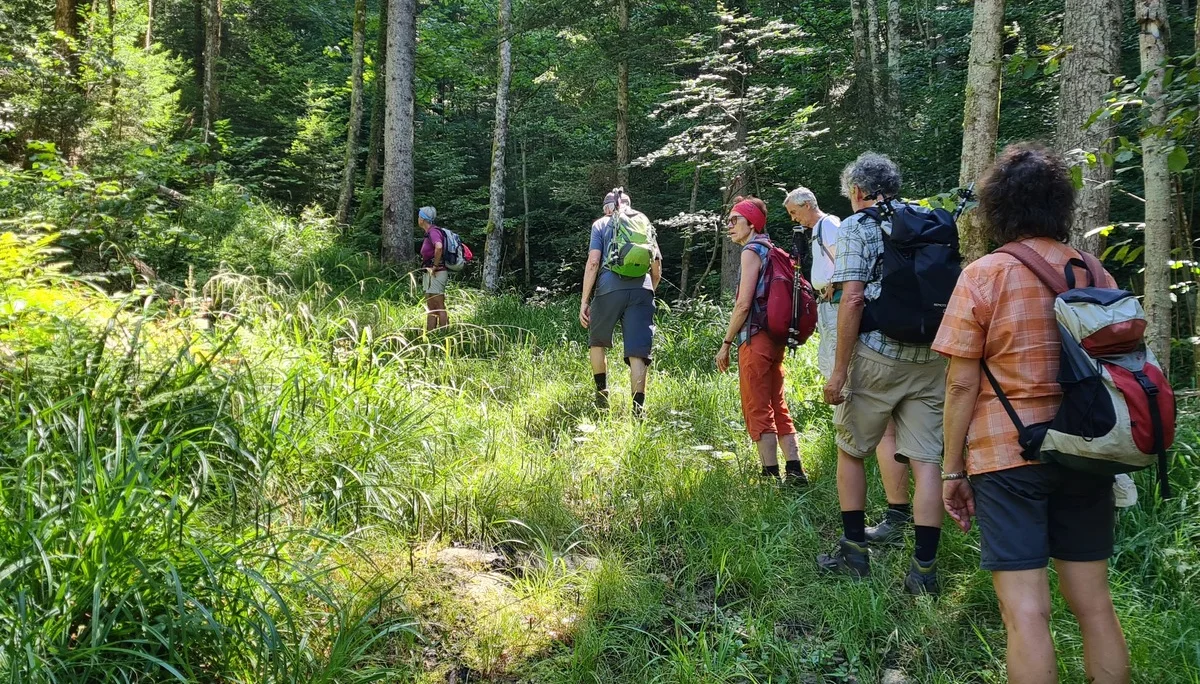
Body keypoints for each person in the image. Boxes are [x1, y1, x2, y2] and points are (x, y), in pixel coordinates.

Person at [933, 143, 1129, 683]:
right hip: (1088, 448)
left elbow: (961, 383)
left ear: (997, 208)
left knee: (1025, 613)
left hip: (1007, 454)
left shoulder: (983, 275)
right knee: (1094, 605)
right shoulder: (1093, 271)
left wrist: (953, 469)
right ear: (1060, 205)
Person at [817, 152, 946, 595]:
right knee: (928, 460)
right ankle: (924, 572)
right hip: (933, 355)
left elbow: (852, 299)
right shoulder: (927, 220)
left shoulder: (858, 226)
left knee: (851, 449)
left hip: (878, 354)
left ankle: (854, 552)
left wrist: (838, 373)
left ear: (856, 191)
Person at [784, 187, 912, 543]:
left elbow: (850, 266)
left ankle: (859, 540)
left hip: (842, 306)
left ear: (808, 205)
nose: (795, 220)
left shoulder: (831, 225)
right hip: (841, 307)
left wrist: (834, 287)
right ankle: (901, 515)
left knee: (864, 413)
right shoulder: (824, 228)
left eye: (795, 213)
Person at [715, 195, 809, 487]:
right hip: (776, 337)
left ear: (752, 222)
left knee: (756, 404)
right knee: (776, 401)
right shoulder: (772, 249)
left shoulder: (751, 251)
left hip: (755, 338)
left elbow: (743, 304)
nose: (729, 226)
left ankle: (770, 476)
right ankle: (795, 470)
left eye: (735, 220)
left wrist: (727, 343)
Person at [579, 189, 662, 417]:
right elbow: (656, 268)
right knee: (638, 351)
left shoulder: (601, 224)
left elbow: (594, 262)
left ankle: (602, 395)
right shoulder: (643, 224)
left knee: (598, 341)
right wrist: (647, 293)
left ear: (608, 207)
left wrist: (585, 300)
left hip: (608, 288)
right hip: (642, 289)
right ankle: (638, 410)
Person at [418, 206, 450, 331]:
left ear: (423, 219)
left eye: (419, 216)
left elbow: (439, 246)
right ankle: (431, 334)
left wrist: (435, 266)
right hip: (430, 273)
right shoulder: (429, 232)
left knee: (439, 305)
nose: (418, 218)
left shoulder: (433, 232)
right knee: (431, 305)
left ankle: (444, 334)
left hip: (437, 273)